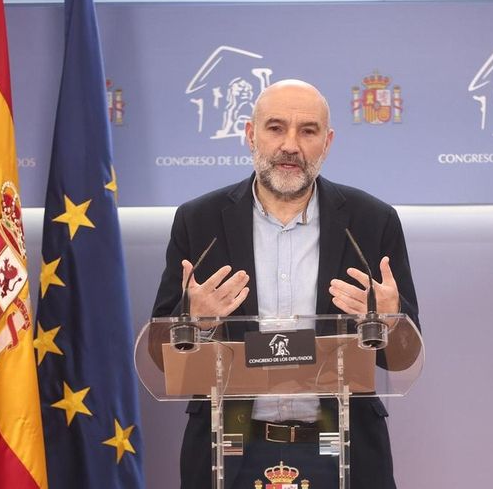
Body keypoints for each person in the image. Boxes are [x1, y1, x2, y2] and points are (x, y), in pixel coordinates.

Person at [151, 79, 419, 489]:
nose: (290, 145)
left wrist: (389, 324)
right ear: (249, 134)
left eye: (308, 131)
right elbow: (159, 354)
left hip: (344, 451)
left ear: (327, 142)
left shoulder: (372, 222)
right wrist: (195, 323)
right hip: (229, 451)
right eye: (276, 128)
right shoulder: (198, 221)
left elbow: (401, 358)